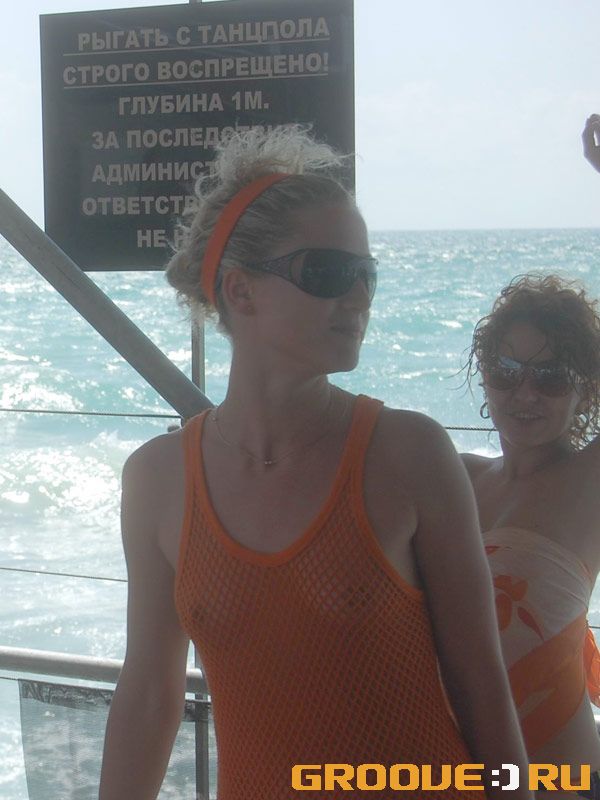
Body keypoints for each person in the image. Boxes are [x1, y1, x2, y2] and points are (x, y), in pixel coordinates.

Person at [99, 125, 532, 800]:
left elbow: (483, 689)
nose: (358, 299)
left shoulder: (409, 453)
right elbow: (150, 694)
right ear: (240, 292)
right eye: (327, 273)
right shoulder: (157, 479)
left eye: (366, 276)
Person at [462, 274, 600, 798]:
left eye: (551, 377)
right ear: (485, 378)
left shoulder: (590, 477)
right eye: (506, 372)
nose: (525, 393)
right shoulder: (457, 478)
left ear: (586, 388)